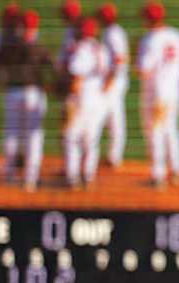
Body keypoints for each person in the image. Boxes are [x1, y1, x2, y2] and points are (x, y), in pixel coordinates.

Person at [0, 9, 54, 191]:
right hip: (33, 95)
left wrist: (2, 81)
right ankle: (30, 180)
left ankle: (9, 175)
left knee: (12, 134)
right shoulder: (38, 47)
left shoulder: (9, 45)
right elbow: (52, 70)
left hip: (13, 93)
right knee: (33, 137)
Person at [136, 1, 179, 188]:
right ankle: (176, 170)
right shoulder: (177, 36)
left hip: (155, 93)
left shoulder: (149, 40)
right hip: (174, 91)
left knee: (154, 133)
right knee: (171, 129)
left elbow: (143, 70)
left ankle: (157, 176)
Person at [61, 16, 109, 189]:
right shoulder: (101, 49)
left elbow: (76, 79)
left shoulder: (80, 50)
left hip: (82, 96)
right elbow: (108, 75)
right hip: (99, 98)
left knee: (71, 137)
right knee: (91, 139)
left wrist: (70, 101)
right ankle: (88, 176)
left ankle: (72, 177)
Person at [97, 3, 129, 169]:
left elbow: (119, 58)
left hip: (114, 81)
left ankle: (114, 157)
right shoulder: (113, 31)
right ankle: (112, 155)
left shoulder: (112, 33)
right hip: (115, 80)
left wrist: (109, 80)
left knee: (112, 118)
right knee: (111, 118)